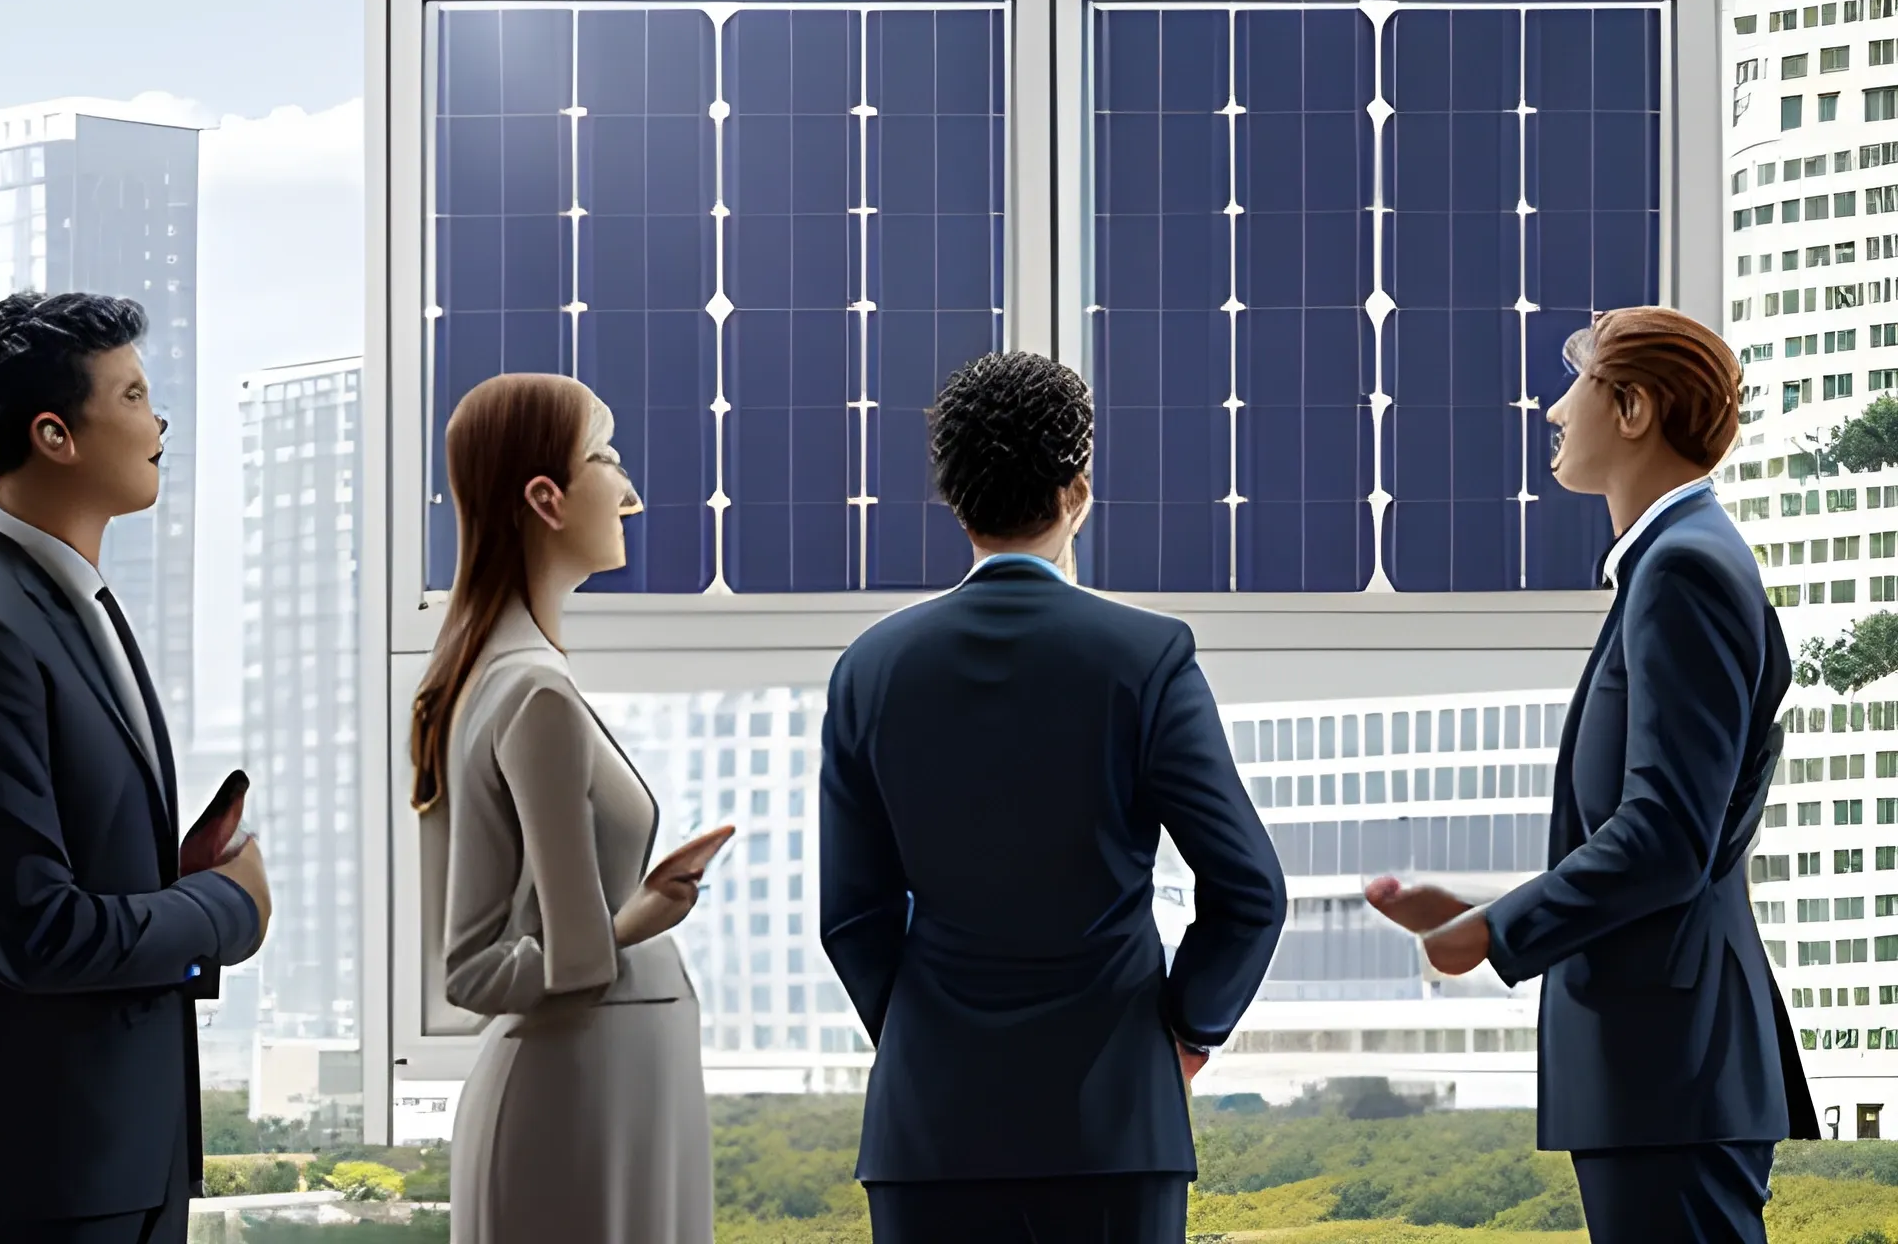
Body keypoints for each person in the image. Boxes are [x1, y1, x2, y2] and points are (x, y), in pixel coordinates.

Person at [1366, 305, 1816, 1244]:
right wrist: (1484, 908)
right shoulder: (1678, 561)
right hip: (1666, 1068)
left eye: (1577, 385)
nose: (1553, 411)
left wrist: (1495, 930)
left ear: (1635, 409)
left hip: (1668, 1066)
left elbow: (1665, 839)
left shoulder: (1683, 569)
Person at [820, 351, 1287, 1244]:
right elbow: (1250, 892)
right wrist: (1182, 1039)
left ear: (954, 501)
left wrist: (929, 1042)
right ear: (1077, 491)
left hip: (929, 1135)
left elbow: (852, 918)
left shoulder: (870, 669)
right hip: (1115, 1127)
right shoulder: (1147, 657)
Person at [0, 292, 271, 1244]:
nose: (158, 420)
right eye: (134, 394)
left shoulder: (71, 606)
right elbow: (37, 932)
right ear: (55, 433)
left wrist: (167, 880)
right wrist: (231, 910)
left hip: (122, 1154)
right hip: (46, 1172)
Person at [412, 372, 732, 1244]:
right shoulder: (533, 692)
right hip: (582, 1100)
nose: (628, 495)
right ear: (546, 498)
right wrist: (643, 915)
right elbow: (475, 971)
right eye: (607, 459)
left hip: (603, 1089)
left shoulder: (490, 675)